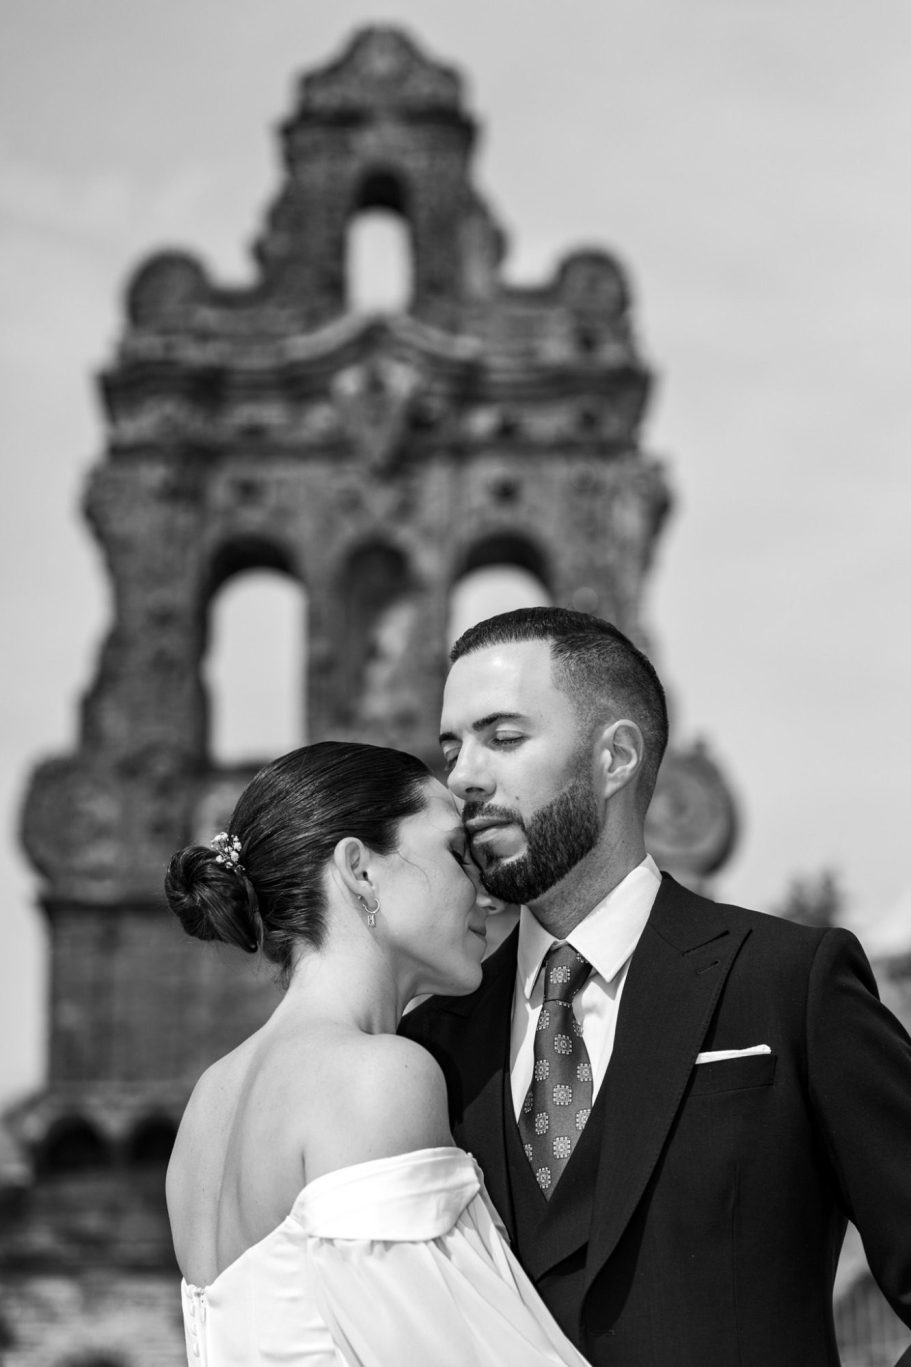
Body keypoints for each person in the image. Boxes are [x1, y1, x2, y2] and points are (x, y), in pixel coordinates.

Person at [401, 606, 911, 1367]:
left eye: (502, 737)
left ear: (615, 757)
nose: (463, 775)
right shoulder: (429, 1042)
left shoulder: (787, 982)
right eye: (452, 745)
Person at [164, 740, 592, 1367]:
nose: (490, 895)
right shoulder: (378, 1074)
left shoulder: (210, 1100)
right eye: (455, 854)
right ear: (360, 868)